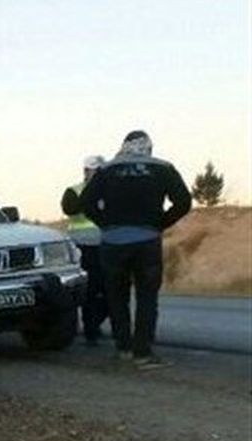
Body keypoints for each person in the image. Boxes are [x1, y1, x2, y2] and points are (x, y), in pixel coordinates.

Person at [80, 131, 191, 369]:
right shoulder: (163, 168)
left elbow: (86, 203)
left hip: (112, 243)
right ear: (149, 147)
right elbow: (184, 202)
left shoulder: (107, 170)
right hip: (147, 241)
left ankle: (124, 349)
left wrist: (106, 224)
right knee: (147, 297)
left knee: (116, 297)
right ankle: (143, 353)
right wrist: (160, 223)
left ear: (123, 146)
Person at [60, 155, 108, 344]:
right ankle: (91, 330)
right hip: (83, 247)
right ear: (86, 171)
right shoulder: (74, 191)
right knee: (90, 290)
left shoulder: (111, 191)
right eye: (94, 170)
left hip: (107, 246)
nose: (97, 174)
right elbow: (70, 209)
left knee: (110, 290)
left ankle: (95, 323)